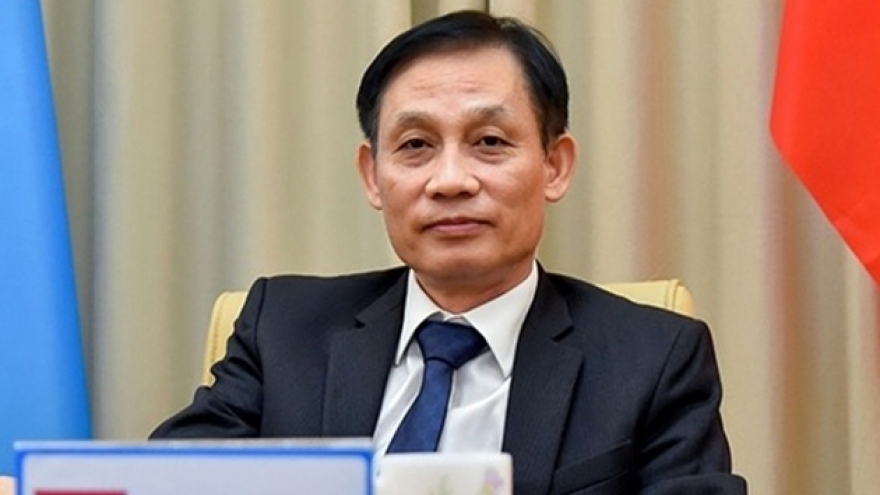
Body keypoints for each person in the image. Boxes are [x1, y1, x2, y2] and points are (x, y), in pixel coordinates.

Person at [0, 10, 745, 495]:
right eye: (415, 146)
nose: (450, 180)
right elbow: (175, 482)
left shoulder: (653, 355)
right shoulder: (284, 327)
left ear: (554, 165)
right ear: (372, 175)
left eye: (489, 142)